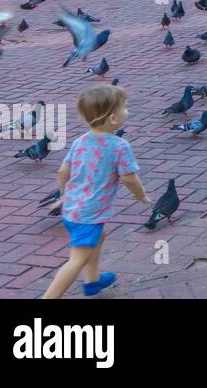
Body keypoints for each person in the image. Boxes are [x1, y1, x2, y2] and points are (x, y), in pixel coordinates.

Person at [41, 84, 152, 299]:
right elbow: (129, 177)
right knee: (77, 259)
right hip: (88, 215)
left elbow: (63, 171)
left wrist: (64, 195)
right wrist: (141, 196)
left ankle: (92, 282)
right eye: (125, 108)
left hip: (72, 210)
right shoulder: (119, 145)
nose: (127, 112)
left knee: (99, 236)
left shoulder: (80, 142)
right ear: (112, 119)